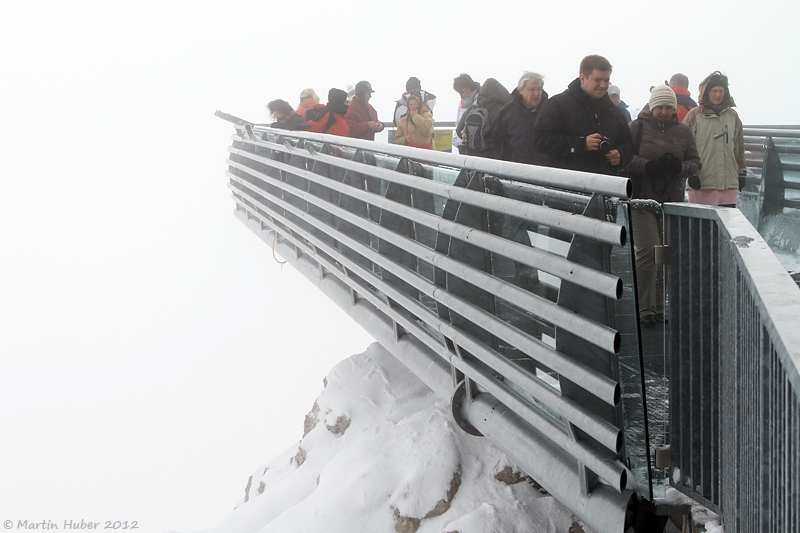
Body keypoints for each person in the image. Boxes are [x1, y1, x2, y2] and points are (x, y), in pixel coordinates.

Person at [627, 85, 701, 327]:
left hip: (671, 201)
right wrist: (648, 166)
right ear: (651, 106)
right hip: (642, 200)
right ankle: (644, 309)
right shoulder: (636, 128)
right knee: (648, 252)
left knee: (664, 255)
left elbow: (695, 162)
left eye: (668, 107)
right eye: (659, 106)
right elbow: (625, 158)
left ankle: (659, 307)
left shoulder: (683, 131)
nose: (664, 111)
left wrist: (678, 167)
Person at [533, 55, 632, 175]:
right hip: (568, 184)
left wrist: (621, 154)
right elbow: (541, 141)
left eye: (606, 80)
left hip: (604, 184)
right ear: (583, 78)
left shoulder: (613, 110)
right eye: (597, 80)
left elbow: (628, 143)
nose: (603, 85)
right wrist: (581, 144)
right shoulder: (558, 105)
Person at [682, 71, 746, 207]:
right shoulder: (695, 115)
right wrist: (690, 174)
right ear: (706, 92)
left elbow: (738, 147)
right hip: (701, 182)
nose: (718, 95)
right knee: (701, 226)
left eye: (721, 91)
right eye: (714, 91)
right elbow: (683, 145)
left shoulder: (733, 116)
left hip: (728, 184)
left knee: (726, 225)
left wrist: (742, 172)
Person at [492, 71, 551, 164]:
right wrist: (500, 163)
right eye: (532, 89)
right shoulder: (508, 111)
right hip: (516, 171)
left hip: (545, 171)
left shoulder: (550, 110)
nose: (537, 93)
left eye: (539, 89)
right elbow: (492, 140)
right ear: (521, 90)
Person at [456, 77, 511, 158]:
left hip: (474, 157)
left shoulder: (473, 109)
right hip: (497, 158)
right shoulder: (504, 110)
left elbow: (459, 130)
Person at [452, 74, 480, 154]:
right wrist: (456, 140)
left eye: (461, 91)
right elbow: (458, 121)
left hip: (472, 144)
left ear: (469, 88)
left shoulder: (479, 101)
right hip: (461, 143)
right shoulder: (462, 103)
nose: (460, 94)